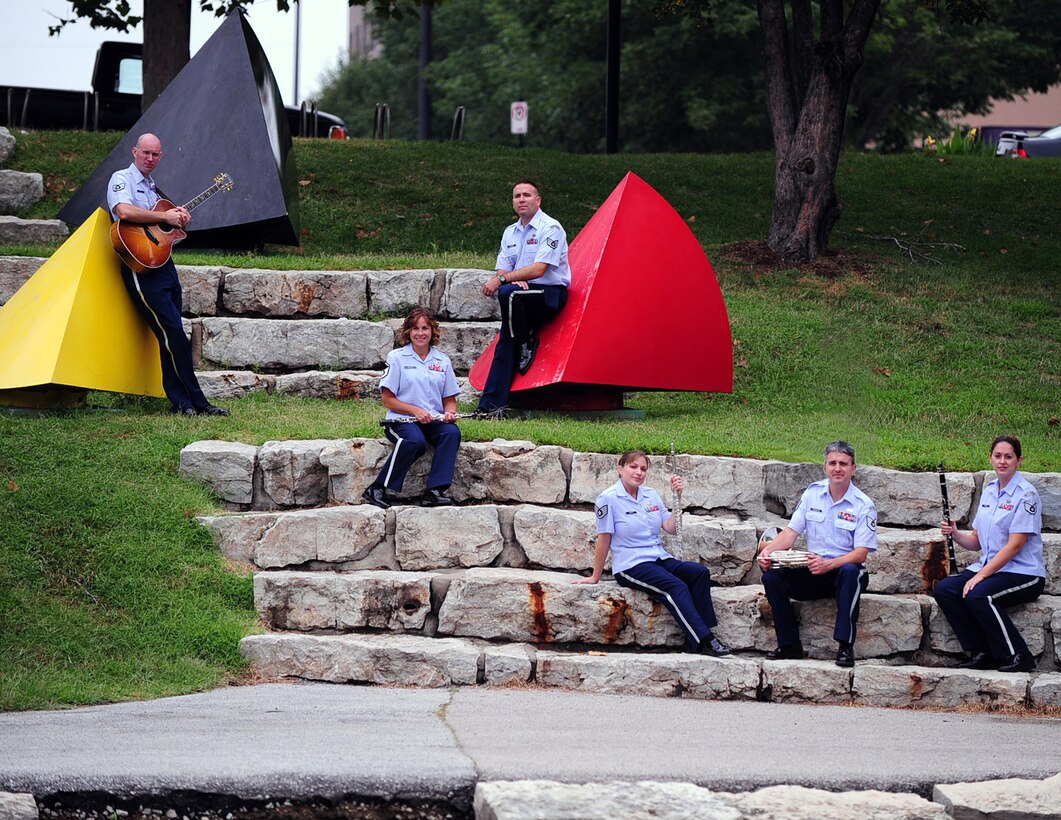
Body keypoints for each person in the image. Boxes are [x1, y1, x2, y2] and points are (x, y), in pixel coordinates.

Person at [106, 133, 228, 417]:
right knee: (173, 331)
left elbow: (164, 227)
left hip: (164, 265)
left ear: (161, 157)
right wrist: (164, 218)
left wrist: (177, 220)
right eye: (145, 153)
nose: (149, 158)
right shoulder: (121, 178)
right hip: (141, 267)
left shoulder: (153, 189)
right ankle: (199, 402)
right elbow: (123, 210)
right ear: (135, 151)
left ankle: (182, 403)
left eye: (155, 155)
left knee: (172, 334)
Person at [572, 450, 731, 657]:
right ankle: (704, 641)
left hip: (658, 558)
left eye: (643, 469)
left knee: (699, 572)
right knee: (676, 587)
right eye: (633, 467)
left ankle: (700, 631)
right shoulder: (608, 499)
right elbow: (604, 538)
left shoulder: (651, 495)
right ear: (620, 469)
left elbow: (671, 528)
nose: (638, 472)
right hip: (631, 565)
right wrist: (595, 576)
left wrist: (677, 498)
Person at [757, 441, 878, 668]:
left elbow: (861, 553)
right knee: (772, 578)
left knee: (852, 573)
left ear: (853, 468)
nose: (837, 468)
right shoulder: (812, 494)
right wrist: (767, 553)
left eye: (843, 463)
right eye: (832, 463)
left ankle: (845, 646)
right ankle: (789, 645)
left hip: (842, 571)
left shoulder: (863, 505)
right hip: (813, 569)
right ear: (825, 467)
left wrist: (828, 565)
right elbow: (791, 533)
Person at [934, 435, 1045, 673]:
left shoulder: (1026, 495)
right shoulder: (990, 491)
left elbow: (1014, 546)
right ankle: (981, 651)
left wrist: (980, 576)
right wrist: (954, 533)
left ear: (1019, 460)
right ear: (990, 458)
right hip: (992, 568)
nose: (1002, 461)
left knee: (979, 595)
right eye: (998, 456)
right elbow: (976, 541)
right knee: (945, 589)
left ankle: (1019, 654)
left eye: (1008, 456)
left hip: (1023, 572)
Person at [477, 180, 570, 414]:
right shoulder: (510, 232)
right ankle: (490, 407)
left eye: (527, 195)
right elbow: (503, 269)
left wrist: (505, 280)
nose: (521, 199)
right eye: (517, 196)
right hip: (520, 294)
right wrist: (507, 278)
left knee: (507, 297)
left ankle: (522, 339)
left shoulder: (551, 228)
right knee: (507, 341)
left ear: (537, 200)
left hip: (549, 295)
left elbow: (539, 269)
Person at [361, 308, 461, 509]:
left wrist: (449, 413)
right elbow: (388, 400)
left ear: (433, 331)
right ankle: (378, 488)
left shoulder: (442, 361)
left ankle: (434, 491)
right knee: (415, 441)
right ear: (408, 332)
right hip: (401, 420)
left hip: (433, 420)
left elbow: (449, 399)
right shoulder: (397, 358)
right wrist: (415, 411)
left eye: (425, 328)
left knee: (451, 433)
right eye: (415, 328)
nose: (420, 333)